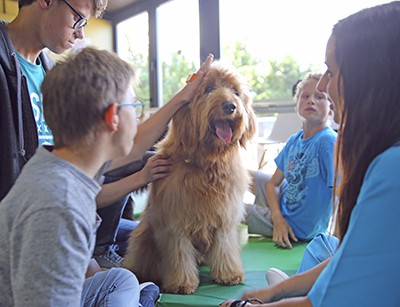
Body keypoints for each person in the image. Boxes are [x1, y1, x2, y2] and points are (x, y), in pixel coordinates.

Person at [0, 0, 213, 268]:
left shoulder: (50, 72)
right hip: (24, 230)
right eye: (78, 19)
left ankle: (105, 252)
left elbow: (121, 149)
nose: (80, 34)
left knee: (149, 235)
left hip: (62, 202)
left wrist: (182, 98)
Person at [221, 1, 400, 306]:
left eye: (331, 71)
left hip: (302, 230)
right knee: (323, 246)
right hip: (303, 233)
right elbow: (349, 257)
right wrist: (274, 293)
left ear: (371, 76)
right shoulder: (300, 141)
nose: (324, 86)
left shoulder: (388, 169)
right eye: (308, 93)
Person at [0, 46, 138, 306]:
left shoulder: (60, 163)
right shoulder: (60, 205)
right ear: (112, 118)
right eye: (133, 105)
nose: (138, 117)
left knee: (122, 279)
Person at [245, 73, 337, 249]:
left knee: (234, 211)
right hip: (281, 210)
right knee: (241, 175)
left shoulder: (328, 142)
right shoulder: (294, 140)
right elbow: (272, 185)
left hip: (296, 227)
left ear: (331, 109)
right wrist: (277, 216)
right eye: (305, 96)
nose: (311, 101)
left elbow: (339, 193)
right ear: (297, 106)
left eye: (319, 97)